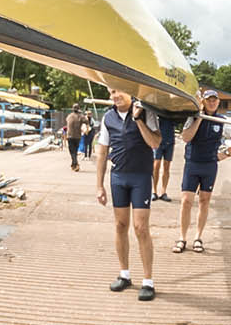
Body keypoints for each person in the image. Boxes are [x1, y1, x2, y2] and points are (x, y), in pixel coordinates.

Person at [94, 88, 162, 302]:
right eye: (112, 92)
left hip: (141, 177)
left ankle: (148, 281)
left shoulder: (147, 113)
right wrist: (99, 185)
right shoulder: (108, 117)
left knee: (141, 228)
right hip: (118, 178)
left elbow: (155, 143)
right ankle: (124, 275)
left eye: (119, 91)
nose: (115, 96)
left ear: (130, 93)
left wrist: (138, 119)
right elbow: (102, 152)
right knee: (120, 226)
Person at [173, 90, 231, 255]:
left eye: (214, 100)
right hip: (192, 163)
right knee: (186, 201)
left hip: (209, 165)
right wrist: (199, 118)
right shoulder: (193, 117)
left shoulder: (221, 121)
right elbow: (186, 137)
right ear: (203, 102)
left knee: (204, 200)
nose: (212, 103)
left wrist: (226, 154)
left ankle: (198, 237)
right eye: (208, 100)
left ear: (218, 102)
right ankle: (182, 238)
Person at [150, 109, 176, 202]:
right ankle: (154, 191)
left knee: (166, 166)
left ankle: (163, 192)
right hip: (158, 141)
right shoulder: (157, 110)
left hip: (170, 140)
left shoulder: (173, 111)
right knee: (156, 165)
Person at [65, 105, 87, 172]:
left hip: (70, 136)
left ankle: (75, 164)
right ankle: (74, 164)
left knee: (72, 151)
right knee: (75, 151)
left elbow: (67, 122)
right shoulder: (80, 116)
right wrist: (87, 129)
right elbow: (86, 121)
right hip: (77, 136)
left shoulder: (69, 116)